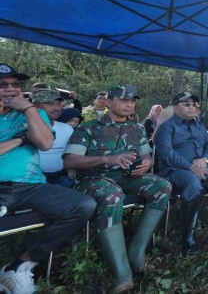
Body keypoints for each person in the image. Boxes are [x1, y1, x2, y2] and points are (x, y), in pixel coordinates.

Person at [63, 85, 171, 292]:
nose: (129, 104)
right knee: (112, 195)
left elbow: (146, 155)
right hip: (94, 179)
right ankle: (122, 273)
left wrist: (146, 164)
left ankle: (136, 253)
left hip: (126, 177)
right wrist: (106, 158)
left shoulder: (137, 128)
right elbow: (69, 161)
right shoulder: (90, 127)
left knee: (163, 186)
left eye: (132, 100)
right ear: (109, 101)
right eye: (123, 100)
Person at [0, 64, 95, 294]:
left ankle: (20, 265)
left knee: (83, 205)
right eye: (3, 85)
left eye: (16, 85)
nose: (11, 90)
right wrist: (22, 139)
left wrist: (29, 109)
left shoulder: (33, 113)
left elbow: (44, 143)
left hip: (31, 185)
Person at [155, 92, 208, 255]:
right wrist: (192, 167)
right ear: (175, 108)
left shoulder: (199, 125)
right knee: (192, 182)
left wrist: (205, 160)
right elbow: (167, 154)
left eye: (194, 105)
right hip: (174, 170)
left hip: (200, 166)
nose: (191, 107)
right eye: (186, 104)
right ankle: (188, 239)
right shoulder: (167, 127)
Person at [32, 89, 75, 188]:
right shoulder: (24, 128)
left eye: (59, 104)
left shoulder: (67, 129)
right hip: (31, 179)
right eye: (50, 104)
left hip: (61, 177)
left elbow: (73, 154)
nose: (57, 108)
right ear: (35, 106)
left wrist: (71, 170)